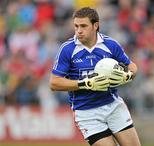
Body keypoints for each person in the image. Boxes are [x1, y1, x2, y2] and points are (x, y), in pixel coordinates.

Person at [49, 7, 141, 146]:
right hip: (87, 113)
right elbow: (54, 83)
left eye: (83, 26)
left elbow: (132, 66)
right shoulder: (67, 49)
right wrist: (85, 83)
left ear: (95, 25)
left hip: (113, 106)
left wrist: (127, 76)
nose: (79, 30)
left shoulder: (110, 44)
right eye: (76, 26)